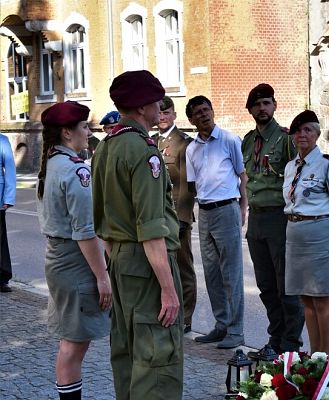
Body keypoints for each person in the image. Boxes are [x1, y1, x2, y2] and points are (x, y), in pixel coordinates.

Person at [91, 70, 183, 399]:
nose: (160, 107)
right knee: (157, 358)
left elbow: (100, 218)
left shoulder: (106, 146)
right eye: (156, 102)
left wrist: (116, 261)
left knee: (127, 353)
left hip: (119, 260)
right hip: (148, 265)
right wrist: (168, 289)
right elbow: (151, 230)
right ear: (143, 107)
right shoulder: (145, 152)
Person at [36, 101, 112, 400]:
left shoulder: (53, 162)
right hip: (74, 263)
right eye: (84, 127)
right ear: (67, 133)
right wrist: (102, 276)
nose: (89, 132)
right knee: (74, 345)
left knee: (71, 342)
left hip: (58, 259)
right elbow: (85, 232)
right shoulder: (76, 170)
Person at [282, 110, 329, 356]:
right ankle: (315, 356)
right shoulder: (291, 167)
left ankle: (327, 357)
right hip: (295, 237)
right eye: (298, 131)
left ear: (317, 134)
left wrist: (328, 235)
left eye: (308, 130)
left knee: (322, 301)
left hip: (321, 236)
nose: (302, 135)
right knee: (307, 303)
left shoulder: (327, 166)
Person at [241, 83, 304, 357]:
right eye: (257, 104)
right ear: (250, 110)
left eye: (266, 103)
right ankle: (274, 340)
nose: (262, 108)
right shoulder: (246, 141)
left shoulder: (287, 140)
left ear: (275, 106)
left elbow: (299, 178)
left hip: (280, 218)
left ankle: (290, 345)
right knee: (266, 285)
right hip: (256, 219)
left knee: (285, 286)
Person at [185, 95, 247, 349]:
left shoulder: (230, 140)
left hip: (226, 208)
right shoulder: (191, 149)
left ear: (212, 111)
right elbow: (193, 184)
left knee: (231, 272)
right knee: (212, 273)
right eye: (198, 113)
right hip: (205, 212)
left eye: (206, 109)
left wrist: (243, 207)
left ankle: (236, 330)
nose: (204, 115)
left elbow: (243, 176)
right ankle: (221, 325)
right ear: (191, 119)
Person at [153, 95, 197, 334]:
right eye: (159, 113)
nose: (162, 117)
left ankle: (186, 317)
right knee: (162, 266)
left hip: (176, 217)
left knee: (183, 267)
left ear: (174, 115)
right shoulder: (150, 142)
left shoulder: (183, 143)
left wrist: (182, 217)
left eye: (166, 113)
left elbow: (187, 184)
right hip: (157, 216)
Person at [0, 133, 15, 293]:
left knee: (0, 239)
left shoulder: (2, 140)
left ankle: (2, 276)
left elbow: (9, 168)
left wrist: (9, 197)